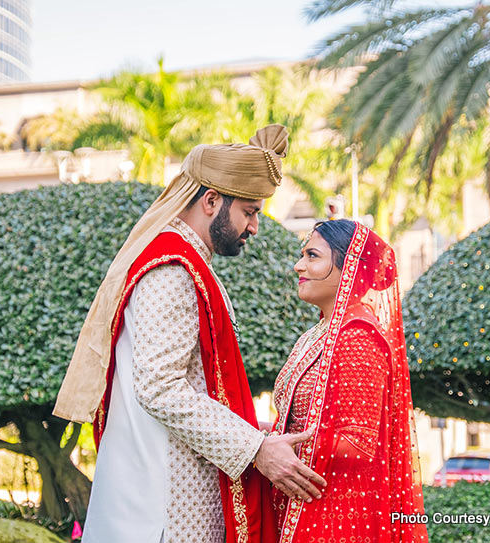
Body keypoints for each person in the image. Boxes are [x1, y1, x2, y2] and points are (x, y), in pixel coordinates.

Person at [53, 125, 325, 543]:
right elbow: (160, 387)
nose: (254, 226)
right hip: (162, 507)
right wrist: (256, 449)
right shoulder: (172, 270)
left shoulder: (187, 264)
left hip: (170, 496)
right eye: (249, 212)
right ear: (212, 200)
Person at [271, 219, 429, 542]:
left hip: (336, 519)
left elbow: (358, 443)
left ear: (348, 269)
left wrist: (278, 448)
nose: (298, 265)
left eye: (312, 256)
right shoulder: (318, 334)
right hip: (303, 503)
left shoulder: (358, 336)